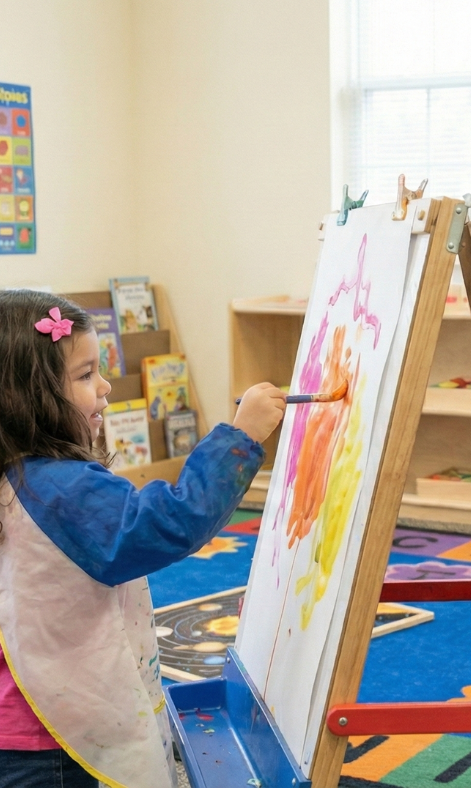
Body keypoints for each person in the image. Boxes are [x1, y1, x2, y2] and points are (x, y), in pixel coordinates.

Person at [0, 290, 287, 788]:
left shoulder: (15, 476)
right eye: (86, 375)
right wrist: (241, 437)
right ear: (32, 395)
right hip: (56, 737)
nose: (107, 386)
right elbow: (167, 522)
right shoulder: (61, 489)